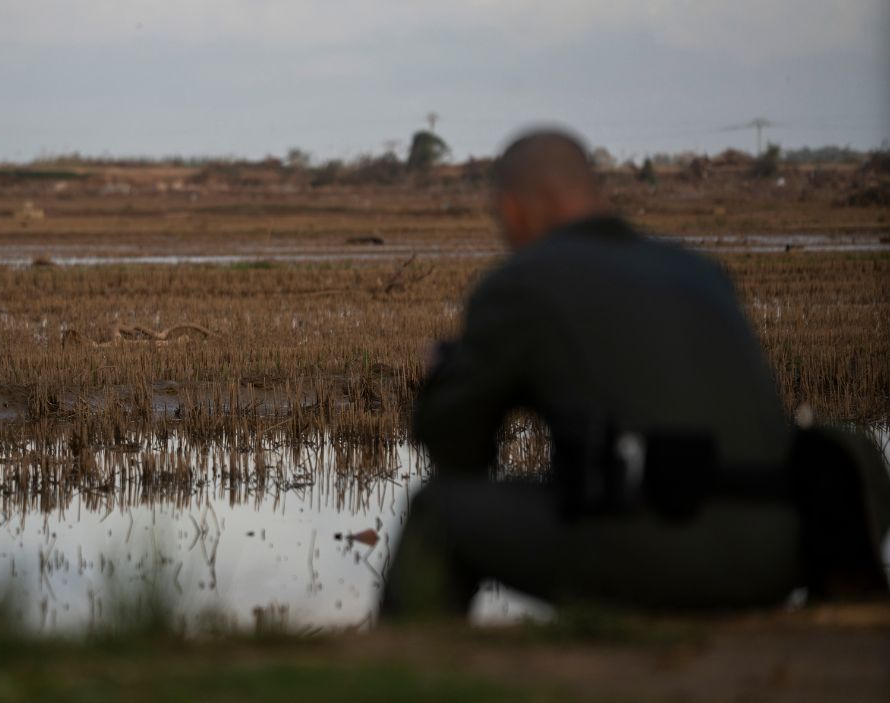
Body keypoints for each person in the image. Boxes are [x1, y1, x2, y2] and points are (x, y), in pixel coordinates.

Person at [379, 129, 889, 619]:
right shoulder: (698, 271)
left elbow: (459, 451)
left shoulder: (521, 282)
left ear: (512, 209)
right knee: (851, 448)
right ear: (597, 194)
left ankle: (412, 662)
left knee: (436, 512)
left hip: (646, 558)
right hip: (779, 556)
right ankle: (842, 603)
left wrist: (450, 379)